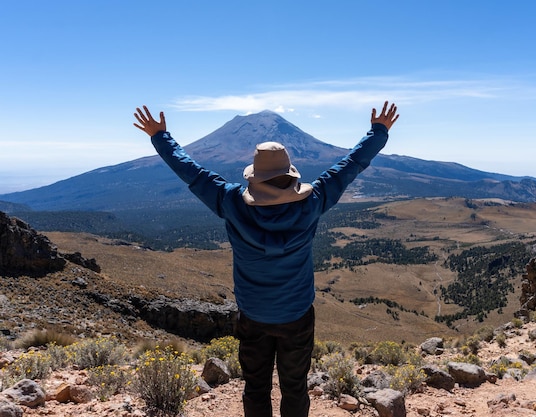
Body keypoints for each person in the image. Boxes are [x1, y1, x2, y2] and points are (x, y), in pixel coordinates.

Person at [133, 101, 399, 417]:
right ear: (289, 173)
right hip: (297, 315)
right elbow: (351, 165)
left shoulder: (232, 201)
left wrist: (161, 136)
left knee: (256, 387)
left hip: (253, 315)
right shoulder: (312, 201)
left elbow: (192, 174)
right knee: (295, 387)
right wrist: (378, 132)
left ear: (255, 176)